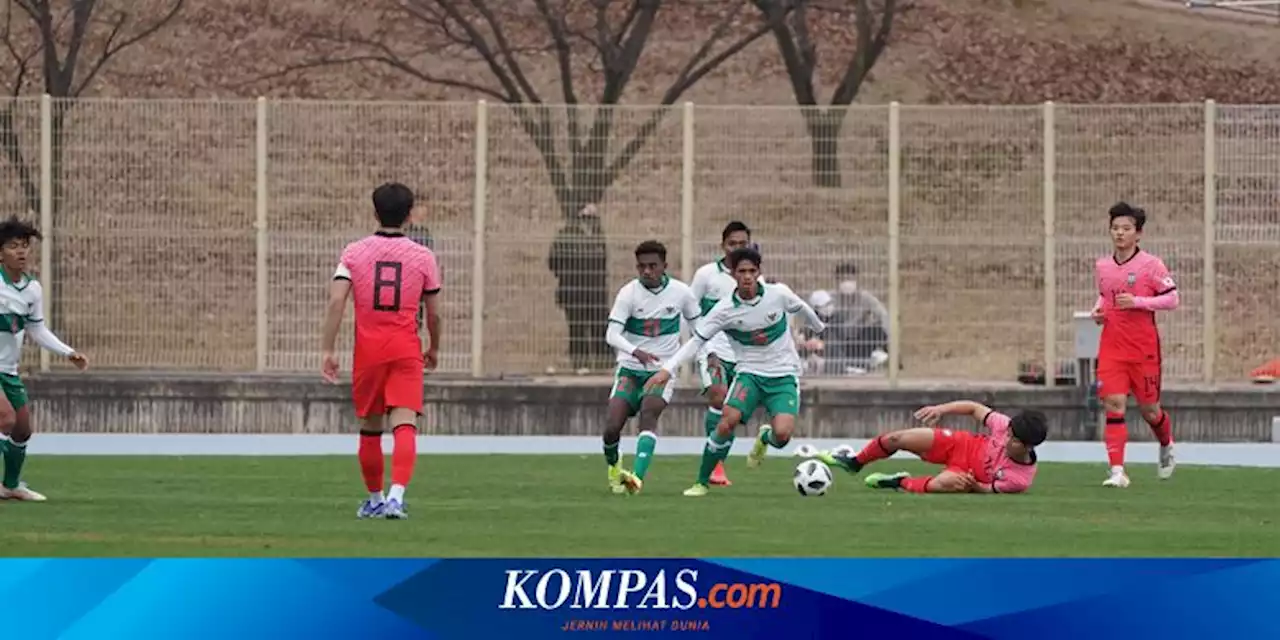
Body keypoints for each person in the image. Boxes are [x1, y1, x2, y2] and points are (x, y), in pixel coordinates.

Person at [646, 247, 826, 497]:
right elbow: (695, 341)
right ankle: (701, 482)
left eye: (752, 271)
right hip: (749, 374)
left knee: (783, 436)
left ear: (759, 272)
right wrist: (667, 369)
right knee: (726, 422)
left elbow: (801, 307)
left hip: (784, 375)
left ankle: (765, 438)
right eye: (742, 271)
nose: (748, 276)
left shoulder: (778, 294)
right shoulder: (724, 310)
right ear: (733, 274)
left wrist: (818, 326)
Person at [322, 183, 441, 520]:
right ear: (409, 215)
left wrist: (327, 349)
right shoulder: (423, 257)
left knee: (371, 427)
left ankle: (374, 498)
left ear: (375, 212)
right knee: (405, 423)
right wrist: (434, 347)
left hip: (369, 350)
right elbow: (434, 312)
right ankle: (396, 497)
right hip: (405, 347)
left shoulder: (353, 252)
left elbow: (336, 301)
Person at [0, 216, 89, 502]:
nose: (21, 252)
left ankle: (11, 485)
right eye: (14, 246)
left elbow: (36, 329)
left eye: (24, 246)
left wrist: (67, 352)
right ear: (0, 252)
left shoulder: (32, 289)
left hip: (8, 371)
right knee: (6, 419)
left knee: (23, 430)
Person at [1090, 202, 1178, 488]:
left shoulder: (1151, 266)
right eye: (1115, 228)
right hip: (1112, 348)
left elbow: (1172, 298)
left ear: (1138, 234)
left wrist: (1139, 302)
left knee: (1150, 411)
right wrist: (1098, 311)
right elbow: (1105, 296)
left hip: (1143, 350)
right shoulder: (1102, 265)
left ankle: (1165, 443)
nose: (1120, 234)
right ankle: (1117, 471)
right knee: (1114, 405)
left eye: (1126, 229)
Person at [602, 241, 701, 495]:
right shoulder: (629, 293)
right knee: (612, 427)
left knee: (649, 414)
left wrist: (705, 359)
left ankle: (636, 477)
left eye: (652, 266)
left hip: (661, 372)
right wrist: (636, 352)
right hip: (630, 369)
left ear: (664, 267)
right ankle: (614, 469)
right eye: (642, 266)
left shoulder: (681, 293)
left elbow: (700, 331)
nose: (647, 271)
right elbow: (612, 334)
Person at [814, 400, 1047, 494]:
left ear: (1028, 446)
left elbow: (989, 491)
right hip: (959, 444)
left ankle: (899, 482)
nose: (1007, 440)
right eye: (1008, 434)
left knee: (944, 484)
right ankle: (855, 462)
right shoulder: (1006, 425)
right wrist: (941, 409)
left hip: (966, 474)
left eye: (1014, 440)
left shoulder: (1020, 479)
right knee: (897, 439)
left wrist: (974, 486)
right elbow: (974, 408)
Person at [688, 221, 756, 487]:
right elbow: (691, 312)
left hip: (742, 355)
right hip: (712, 350)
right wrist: (702, 347)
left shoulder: (752, 277)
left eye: (743, 244)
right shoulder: (706, 275)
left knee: (732, 412)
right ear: (723, 246)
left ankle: (718, 459)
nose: (738, 248)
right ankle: (716, 466)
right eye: (733, 244)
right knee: (718, 397)